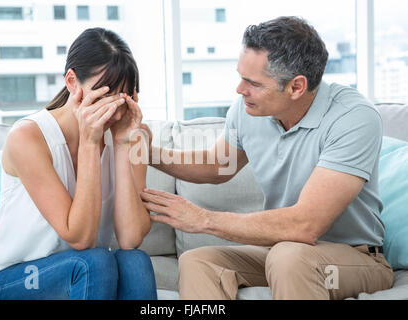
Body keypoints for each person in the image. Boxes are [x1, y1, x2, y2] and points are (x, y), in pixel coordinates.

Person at [140, 16, 394, 300]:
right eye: (240, 77)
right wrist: (148, 153)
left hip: (354, 260)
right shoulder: (249, 110)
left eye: (253, 83)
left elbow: (305, 225)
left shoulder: (353, 118)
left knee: (290, 257)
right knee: (199, 261)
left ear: (296, 87)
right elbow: (218, 164)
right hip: (280, 252)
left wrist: (204, 220)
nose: (239, 90)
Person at [0, 28, 157, 300]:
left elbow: (130, 239)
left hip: (83, 271)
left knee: (135, 262)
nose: (115, 112)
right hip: (12, 280)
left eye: (124, 99)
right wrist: (89, 142)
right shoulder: (28, 136)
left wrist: (121, 145)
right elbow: (81, 238)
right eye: (105, 96)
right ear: (72, 82)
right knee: (93, 261)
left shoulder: (132, 134)